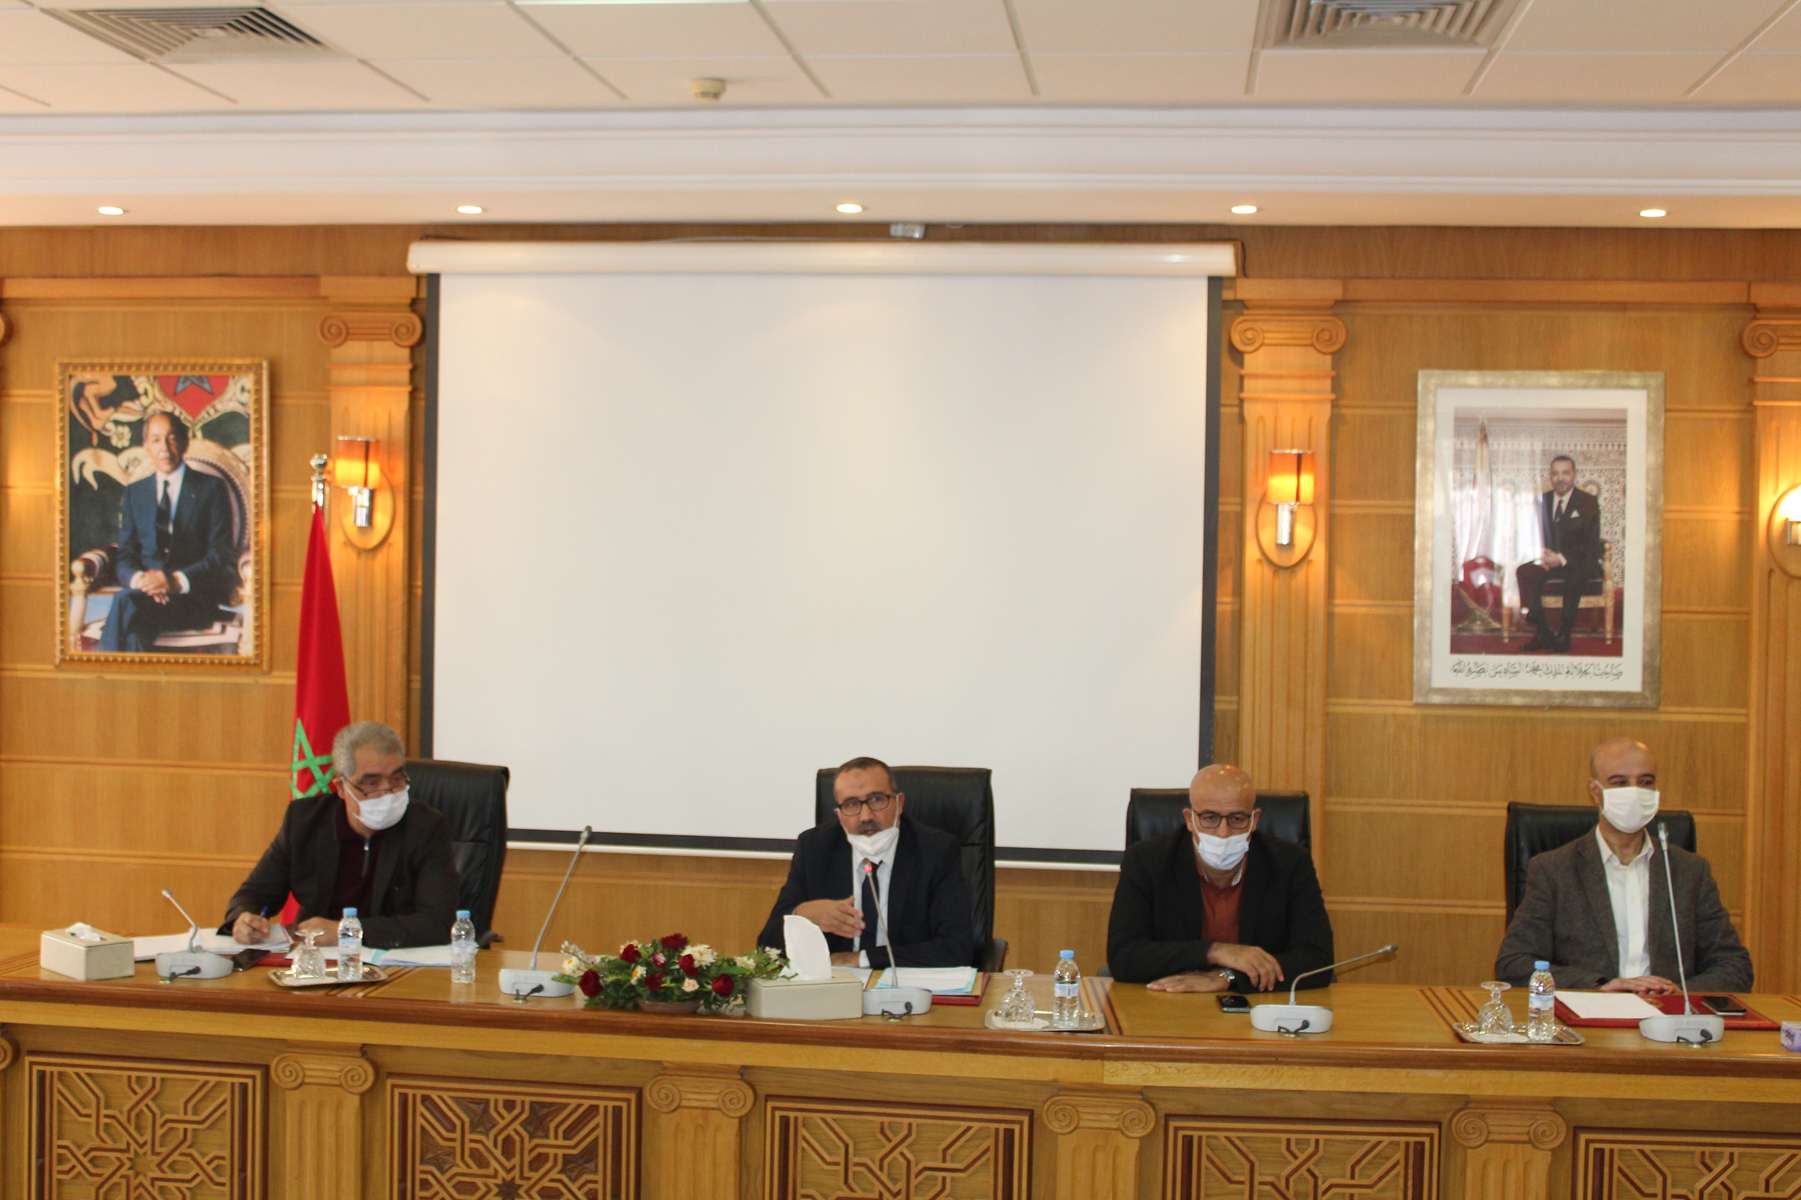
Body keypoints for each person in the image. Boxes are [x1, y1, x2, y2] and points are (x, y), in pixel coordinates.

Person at [1494, 737, 1752, 994]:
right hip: (1591, 1014)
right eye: (1619, 783)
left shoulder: (1689, 871)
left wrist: (1680, 993)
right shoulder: (1554, 870)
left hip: (1667, 1014)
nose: (1634, 792)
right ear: (1595, 791)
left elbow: (1735, 966)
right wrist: (1600, 985)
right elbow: (1514, 964)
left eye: (1646, 782)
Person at [223, 721, 459, 949]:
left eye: (396, 779)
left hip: (395, 961)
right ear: (341, 788)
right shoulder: (304, 821)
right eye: (371, 783)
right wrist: (243, 918)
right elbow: (253, 894)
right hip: (316, 959)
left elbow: (438, 922)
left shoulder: (426, 827)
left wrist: (345, 932)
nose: (387, 791)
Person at [1107, 764, 1334, 993]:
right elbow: (1124, 956)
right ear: (1189, 819)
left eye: (1237, 818)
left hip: (1257, 1005)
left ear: (1254, 820)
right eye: (1209, 818)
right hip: (1170, 1001)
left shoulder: (1290, 863)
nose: (1223, 832)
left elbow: (1318, 960)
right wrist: (1215, 951)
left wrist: (1229, 977)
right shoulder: (1146, 861)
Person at [758, 756, 975, 969]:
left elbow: (957, 948)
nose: (865, 816)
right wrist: (802, 914)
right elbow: (767, 947)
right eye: (851, 804)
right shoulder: (814, 848)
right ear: (839, 814)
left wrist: (861, 959)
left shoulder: (936, 851)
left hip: (906, 981)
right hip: (835, 986)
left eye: (877, 799)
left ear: (899, 803)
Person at [98, 410, 238, 652]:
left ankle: (99, 671)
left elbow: (221, 554)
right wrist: (142, 581)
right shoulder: (135, 493)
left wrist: (173, 581)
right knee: (134, 634)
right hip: (144, 596)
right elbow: (125, 554)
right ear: (146, 446)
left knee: (124, 603)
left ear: (184, 442)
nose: (164, 447)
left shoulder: (211, 489)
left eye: (171, 438)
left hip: (192, 597)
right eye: (155, 440)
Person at [1514, 454, 1602, 653]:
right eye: (1555, 473)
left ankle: (1564, 634)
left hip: (1578, 561)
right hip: (1549, 561)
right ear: (1550, 476)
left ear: (1574, 475)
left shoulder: (1588, 501)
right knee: (1524, 571)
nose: (1560, 478)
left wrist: (1561, 559)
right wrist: (1540, 553)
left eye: (1565, 473)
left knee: (1575, 574)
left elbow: (1591, 544)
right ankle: (1542, 632)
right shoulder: (1542, 500)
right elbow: (1532, 532)